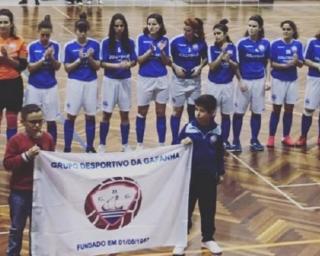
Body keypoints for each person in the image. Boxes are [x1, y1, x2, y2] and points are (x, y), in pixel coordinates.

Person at [173, 94, 224, 256]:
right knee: (186, 209)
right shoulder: (188, 128)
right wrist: (182, 144)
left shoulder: (217, 130)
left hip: (209, 177)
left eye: (202, 111)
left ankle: (208, 238)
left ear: (212, 113)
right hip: (190, 176)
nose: (198, 113)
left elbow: (219, 153)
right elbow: (176, 148)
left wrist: (220, 172)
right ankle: (181, 240)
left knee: (208, 208)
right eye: (196, 110)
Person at [3, 104, 55, 256]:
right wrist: (26, 156)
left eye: (40, 121)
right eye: (33, 122)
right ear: (23, 122)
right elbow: (7, 164)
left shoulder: (48, 139)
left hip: (40, 193)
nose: (37, 125)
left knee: (37, 230)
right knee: (16, 229)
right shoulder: (16, 140)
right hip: (20, 192)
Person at [231, 14, 270, 152]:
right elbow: (235, 64)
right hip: (244, 82)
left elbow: (267, 63)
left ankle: (254, 139)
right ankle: (235, 141)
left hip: (259, 82)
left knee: (257, 112)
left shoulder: (266, 43)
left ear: (260, 28)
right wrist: (240, 80)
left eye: (254, 26)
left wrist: (267, 80)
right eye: (249, 26)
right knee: (238, 113)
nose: (251, 28)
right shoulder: (241, 43)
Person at [99, 13, 137, 152]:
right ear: (112, 27)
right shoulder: (106, 42)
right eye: (116, 26)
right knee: (106, 114)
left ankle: (125, 145)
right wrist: (116, 66)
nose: (119, 28)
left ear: (125, 27)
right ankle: (102, 145)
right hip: (110, 81)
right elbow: (102, 63)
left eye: (121, 26)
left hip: (125, 82)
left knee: (125, 114)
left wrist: (129, 64)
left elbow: (134, 60)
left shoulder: (130, 42)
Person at [63, 12, 100, 153]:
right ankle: (67, 147)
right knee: (71, 115)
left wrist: (90, 58)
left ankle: (90, 146)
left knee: (90, 115)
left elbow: (97, 66)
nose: (82, 34)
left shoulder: (95, 45)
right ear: (75, 31)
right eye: (80, 31)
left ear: (87, 31)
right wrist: (78, 60)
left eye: (84, 31)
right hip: (75, 83)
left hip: (91, 83)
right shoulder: (69, 46)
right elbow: (67, 68)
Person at [170, 17, 208, 144]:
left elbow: (206, 58)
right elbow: (168, 58)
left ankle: (191, 138)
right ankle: (175, 139)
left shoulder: (201, 43)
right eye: (184, 29)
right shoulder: (175, 42)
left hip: (194, 82)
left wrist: (200, 67)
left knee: (193, 111)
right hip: (179, 82)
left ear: (195, 30)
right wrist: (175, 66)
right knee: (177, 111)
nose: (186, 32)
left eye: (189, 30)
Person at [135, 13, 170, 149]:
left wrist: (161, 52)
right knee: (142, 112)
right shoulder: (141, 38)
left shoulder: (165, 40)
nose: (151, 26)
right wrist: (150, 52)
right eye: (149, 24)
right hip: (145, 79)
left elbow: (167, 62)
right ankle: (139, 144)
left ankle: (161, 144)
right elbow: (139, 60)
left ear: (160, 25)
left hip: (161, 80)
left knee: (161, 112)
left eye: (154, 24)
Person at [25, 15, 61, 146]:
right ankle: (31, 146)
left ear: (51, 34)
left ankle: (52, 149)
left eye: (47, 35)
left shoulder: (56, 46)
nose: (45, 38)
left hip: (50, 87)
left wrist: (51, 58)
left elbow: (58, 67)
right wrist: (42, 59)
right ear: (38, 32)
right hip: (34, 87)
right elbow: (30, 68)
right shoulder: (32, 46)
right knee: (33, 120)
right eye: (42, 35)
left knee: (51, 120)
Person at [266, 20, 303, 147]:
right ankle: (271, 137)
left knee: (289, 110)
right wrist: (286, 65)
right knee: (276, 109)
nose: (286, 31)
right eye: (284, 29)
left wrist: (297, 61)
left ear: (293, 31)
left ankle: (286, 136)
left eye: (288, 29)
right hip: (278, 80)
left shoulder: (298, 44)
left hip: (292, 80)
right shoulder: (275, 44)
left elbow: (301, 64)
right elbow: (272, 63)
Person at [207, 19, 238, 150]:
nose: (216, 36)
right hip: (213, 85)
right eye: (214, 33)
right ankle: (211, 138)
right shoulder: (211, 48)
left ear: (225, 34)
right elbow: (212, 66)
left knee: (226, 115)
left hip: (228, 85)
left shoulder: (233, 48)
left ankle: (224, 140)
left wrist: (229, 60)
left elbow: (236, 65)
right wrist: (221, 55)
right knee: (211, 114)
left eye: (219, 33)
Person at [0, 9, 28, 141]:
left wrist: (7, 59)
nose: (2, 25)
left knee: (12, 122)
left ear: (11, 24)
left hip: (13, 85)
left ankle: (10, 156)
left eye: (5, 22)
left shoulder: (20, 41)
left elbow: (22, 66)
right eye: (0, 22)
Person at [295, 31, 320, 147]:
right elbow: (304, 60)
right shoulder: (312, 42)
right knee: (309, 109)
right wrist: (317, 65)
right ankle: (303, 136)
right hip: (314, 79)